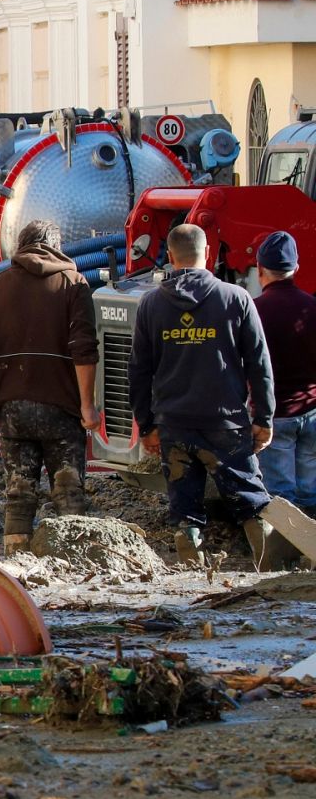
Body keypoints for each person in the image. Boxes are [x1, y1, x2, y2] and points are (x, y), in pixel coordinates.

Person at [131, 223, 276, 567]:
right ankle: (271, 568)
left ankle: (191, 572)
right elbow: (259, 363)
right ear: (207, 252)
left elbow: (138, 370)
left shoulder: (151, 305)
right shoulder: (236, 298)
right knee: (251, 501)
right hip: (224, 423)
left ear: (169, 256)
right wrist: (263, 418)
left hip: (174, 424)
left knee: (184, 508)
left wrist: (146, 423)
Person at [0, 221, 100, 555]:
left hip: (13, 410)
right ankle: (72, 560)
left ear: (21, 246)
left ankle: (18, 560)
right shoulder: (74, 284)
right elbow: (84, 350)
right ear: (56, 246)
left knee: (18, 492)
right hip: (62, 410)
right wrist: (86, 405)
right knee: (68, 488)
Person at [253, 231, 316, 512]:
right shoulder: (311, 307)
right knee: (310, 494)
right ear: (296, 268)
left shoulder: (254, 311)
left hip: (274, 417)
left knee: (280, 498)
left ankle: (284, 553)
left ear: (259, 269)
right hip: (312, 412)